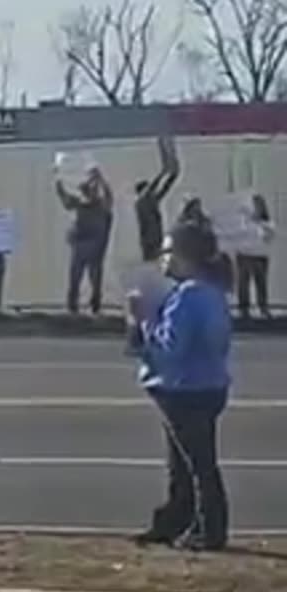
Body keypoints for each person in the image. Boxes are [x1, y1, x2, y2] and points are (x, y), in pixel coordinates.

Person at [128, 220, 233, 552]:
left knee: (197, 465)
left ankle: (208, 529)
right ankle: (177, 521)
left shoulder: (188, 296)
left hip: (185, 389)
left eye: (168, 250)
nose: (163, 257)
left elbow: (170, 349)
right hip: (205, 386)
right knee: (183, 463)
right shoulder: (210, 292)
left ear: (185, 256)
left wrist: (143, 317)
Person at [56, 168, 113, 314]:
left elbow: (108, 195)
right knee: (76, 277)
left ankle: (95, 306)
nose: (88, 193)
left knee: (94, 279)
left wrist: (100, 179)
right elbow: (65, 199)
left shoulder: (101, 205)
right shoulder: (80, 204)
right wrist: (59, 183)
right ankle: (73, 306)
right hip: (82, 245)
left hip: (94, 247)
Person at [135, 140, 180, 262]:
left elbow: (165, 188)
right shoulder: (141, 203)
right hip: (149, 241)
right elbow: (151, 190)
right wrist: (163, 173)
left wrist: (172, 175)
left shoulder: (151, 201)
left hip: (156, 239)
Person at [235, 193, 275, 320]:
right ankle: (244, 308)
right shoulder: (243, 220)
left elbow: (269, 237)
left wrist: (261, 223)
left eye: (259, 205)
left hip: (260, 256)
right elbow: (238, 233)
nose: (256, 208)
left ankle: (263, 306)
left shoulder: (267, 223)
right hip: (244, 254)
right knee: (243, 283)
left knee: (261, 282)